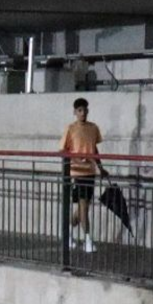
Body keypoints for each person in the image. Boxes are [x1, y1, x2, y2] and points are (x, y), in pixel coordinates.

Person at [59, 97, 107, 253]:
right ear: (75, 112)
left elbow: (94, 149)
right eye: (79, 110)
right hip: (77, 172)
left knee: (83, 208)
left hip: (90, 171)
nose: (83, 113)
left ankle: (67, 232)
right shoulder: (71, 128)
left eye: (85, 110)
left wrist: (101, 167)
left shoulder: (93, 128)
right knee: (84, 207)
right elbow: (63, 150)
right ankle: (87, 239)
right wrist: (76, 159)